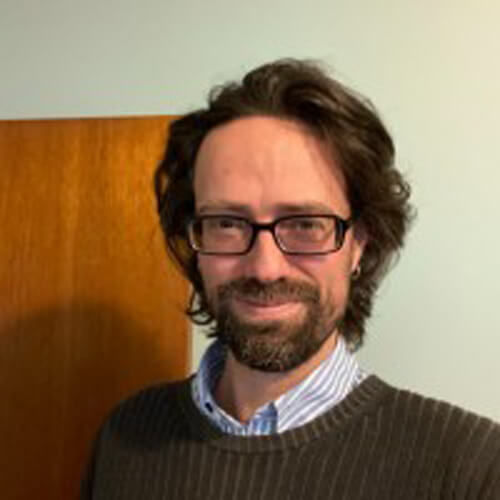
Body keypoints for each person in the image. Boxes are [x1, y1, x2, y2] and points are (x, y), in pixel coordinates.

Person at [81, 59, 500, 499]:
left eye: (305, 224)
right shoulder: (125, 438)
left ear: (360, 242)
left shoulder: (471, 470)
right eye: (227, 223)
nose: (265, 268)